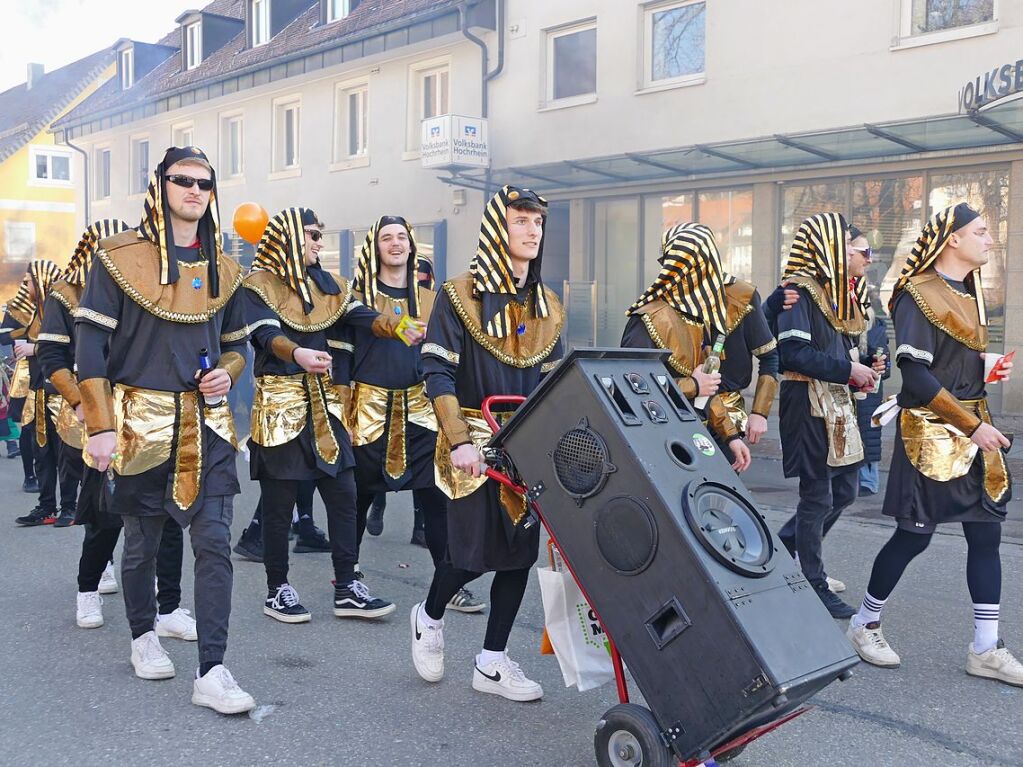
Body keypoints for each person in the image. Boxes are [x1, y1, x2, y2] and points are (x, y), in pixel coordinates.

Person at [76, 146, 254, 713]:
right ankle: (142, 635)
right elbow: (90, 348)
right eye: (183, 181)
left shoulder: (224, 267)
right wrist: (100, 427)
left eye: (205, 183)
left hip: (207, 426)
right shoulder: (117, 258)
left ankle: (213, 670)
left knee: (214, 545)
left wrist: (226, 375)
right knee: (142, 544)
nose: (195, 191)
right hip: (139, 423)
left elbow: (236, 345)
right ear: (161, 187)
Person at [847, 204, 1023, 686]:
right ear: (953, 240)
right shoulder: (915, 294)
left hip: (972, 426)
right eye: (981, 232)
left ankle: (985, 648)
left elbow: (945, 363)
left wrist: (981, 367)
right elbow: (918, 377)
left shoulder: (969, 291)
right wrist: (972, 426)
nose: (990, 240)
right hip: (932, 432)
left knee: (985, 535)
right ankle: (864, 623)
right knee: (915, 535)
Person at [411, 185, 564, 702]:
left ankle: (492, 661)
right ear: (500, 228)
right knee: (471, 553)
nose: (532, 232)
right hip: (472, 438)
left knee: (519, 553)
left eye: (537, 224)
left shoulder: (548, 305)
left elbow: (553, 383)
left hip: (526, 439)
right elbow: (436, 371)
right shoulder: (458, 295)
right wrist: (458, 440)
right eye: (521, 221)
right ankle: (429, 616)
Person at [244, 207, 419, 623]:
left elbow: (361, 315)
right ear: (288, 238)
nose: (319, 243)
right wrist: (298, 352)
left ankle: (347, 586)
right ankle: (278, 589)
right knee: (279, 503)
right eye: (312, 235)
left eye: (320, 235)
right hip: (281, 406)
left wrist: (399, 325)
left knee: (344, 495)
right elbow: (264, 334)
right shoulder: (258, 284)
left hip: (326, 406)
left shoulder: (330, 285)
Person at [36, 219, 195, 636]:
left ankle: (169, 607)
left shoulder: (143, 288)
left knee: (170, 509)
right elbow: (51, 358)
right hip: (96, 420)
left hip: (150, 414)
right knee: (106, 515)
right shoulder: (65, 294)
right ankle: (88, 588)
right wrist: (85, 403)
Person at [341, 216, 483, 614]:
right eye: (387, 237)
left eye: (401, 236)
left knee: (436, 497)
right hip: (370, 410)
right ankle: (347, 576)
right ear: (376, 247)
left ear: (411, 245)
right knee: (360, 497)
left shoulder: (433, 297)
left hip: (421, 407)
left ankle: (447, 581)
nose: (395, 243)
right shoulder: (358, 295)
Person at [773, 213, 879, 618]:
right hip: (807, 404)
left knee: (847, 492)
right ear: (837, 249)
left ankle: (785, 547)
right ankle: (812, 581)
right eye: (863, 251)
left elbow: (836, 355)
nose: (869, 259)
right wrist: (847, 370)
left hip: (837, 402)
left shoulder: (838, 294)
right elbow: (793, 354)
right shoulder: (798, 291)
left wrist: (861, 368)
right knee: (816, 497)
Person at [620, 223, 752, 471]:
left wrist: (731, 436)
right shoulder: (650, 318)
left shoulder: (697, 319)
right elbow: (632, 386)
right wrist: (693, 385)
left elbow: (706, 385)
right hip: (661, 446)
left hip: (692, 436)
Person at [1, 260, 82, 526]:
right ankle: (46, 507)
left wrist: (35, 348)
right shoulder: (37, 310)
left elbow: (77, 347)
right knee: (42, 451)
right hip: (38, 391)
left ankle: (70, 508)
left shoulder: (67, 306)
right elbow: (8, 333)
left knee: (67, 453)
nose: (25, 286)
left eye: (28, 281)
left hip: (63, 392)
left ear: (41, 280)